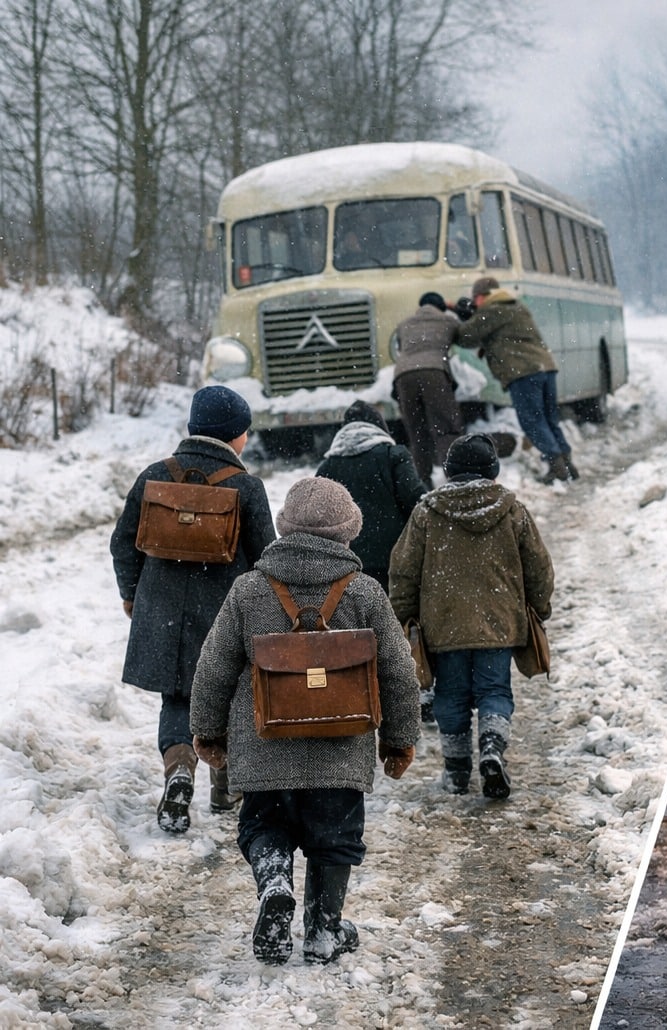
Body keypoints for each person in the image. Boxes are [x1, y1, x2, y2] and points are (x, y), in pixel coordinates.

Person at [189, 477, 421, 965]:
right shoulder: (364, 592)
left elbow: (214, 665)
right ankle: (322, 929)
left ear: (284, 526)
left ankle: (274, 882)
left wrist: (207, 731)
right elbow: (399, 670)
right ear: (348, 530)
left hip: (263, 745)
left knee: (263, 825)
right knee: (334, 841)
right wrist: (399, 740)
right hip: (341, 745)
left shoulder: (250, 589)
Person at [109, 385, 277, 833]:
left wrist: (132, 594)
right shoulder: (246, 486)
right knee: (231, 697)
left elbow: (123, 543)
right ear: (234, 436)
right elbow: (267, 557)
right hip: (225, 614)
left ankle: (180, 768)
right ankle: (225, 787)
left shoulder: (153, 477)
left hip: (162, 611)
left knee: (178, 698)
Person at [388, 433, 554, 797]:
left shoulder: (427, 512)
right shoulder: (512, 509)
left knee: (451, 696)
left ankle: (457, 771)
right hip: (499, 623)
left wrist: (404, 616)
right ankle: (492, 748)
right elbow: (538, 566)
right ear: (492, 470)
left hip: (444, 625)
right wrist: (540, 607)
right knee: (495, 689)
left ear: (449, 473)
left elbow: (403, 571)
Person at [456, 276, 576, 483]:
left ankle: (556, 468)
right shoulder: (516, 306)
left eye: (475, 299)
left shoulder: (492, 310)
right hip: (545, 366)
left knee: (532, 420)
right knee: (549, 418)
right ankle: (567, 463)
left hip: (523, 371)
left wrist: (462, 316)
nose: (474, 303)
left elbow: (466, 337)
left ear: (483, 297)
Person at [315, 400, 428, 590]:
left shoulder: (327, 467)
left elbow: (319, 519)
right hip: (395, 559)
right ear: (380, 428)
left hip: (347, 565)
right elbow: (415, 500)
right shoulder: (394, 455)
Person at [392, 292, 464, 480]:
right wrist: (455, 308)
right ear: (441, 307)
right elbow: (466, 338)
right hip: (434, 372)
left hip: (403, 375)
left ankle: (423, 480)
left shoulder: (404, 324)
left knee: (416, 431)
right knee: (446, 428)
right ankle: (455, 477)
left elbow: (401, 347)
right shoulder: (447, 321)